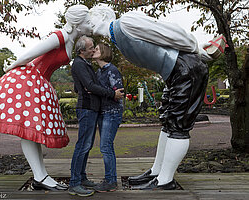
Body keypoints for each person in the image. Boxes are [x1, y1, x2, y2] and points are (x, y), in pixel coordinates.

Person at [88, 5, 220, 190]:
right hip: (174, 73)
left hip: (186, 69)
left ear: (101, 15)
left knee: (178, 125)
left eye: (90, 17)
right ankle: (157, 172)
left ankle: (165, 180)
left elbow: (169, 32)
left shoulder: (125, 22)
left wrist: (196, 47)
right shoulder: (115, 36)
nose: (87, 22)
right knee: (168, 120)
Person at [0, 5, 93, 192]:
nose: (90, 25)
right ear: (78, 22)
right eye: (87, 21)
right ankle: (40, 176)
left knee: (32, 130)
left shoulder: (69, 40)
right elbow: (30, 54)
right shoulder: (60, 36)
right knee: (27, 129)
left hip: (39, 82)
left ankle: (41, 175)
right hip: (28, 80)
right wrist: (10, 66)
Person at [69, 36, 124, 197]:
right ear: (82, 51)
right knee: (83, 146)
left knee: (87, 146)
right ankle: (74, 183)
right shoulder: (79, 64)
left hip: (93, 109)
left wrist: (85, 88)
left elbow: (82, 86)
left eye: (95, 47)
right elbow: (89, 86)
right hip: (87, 109)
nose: (93, 49)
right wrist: (111, 94)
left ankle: (82, 177)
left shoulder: (88, 65)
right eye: (91, 47)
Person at [92, 43, 124, 192]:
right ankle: (110, 179)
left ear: (104, 52)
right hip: (103, 112)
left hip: (111, 112)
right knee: (106, 147)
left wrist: (99, 91)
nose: (94, 51)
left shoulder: (112, 70)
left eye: (97, 49)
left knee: (105, 147)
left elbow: (118, 93)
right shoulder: (99, 72)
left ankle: (111, 181)